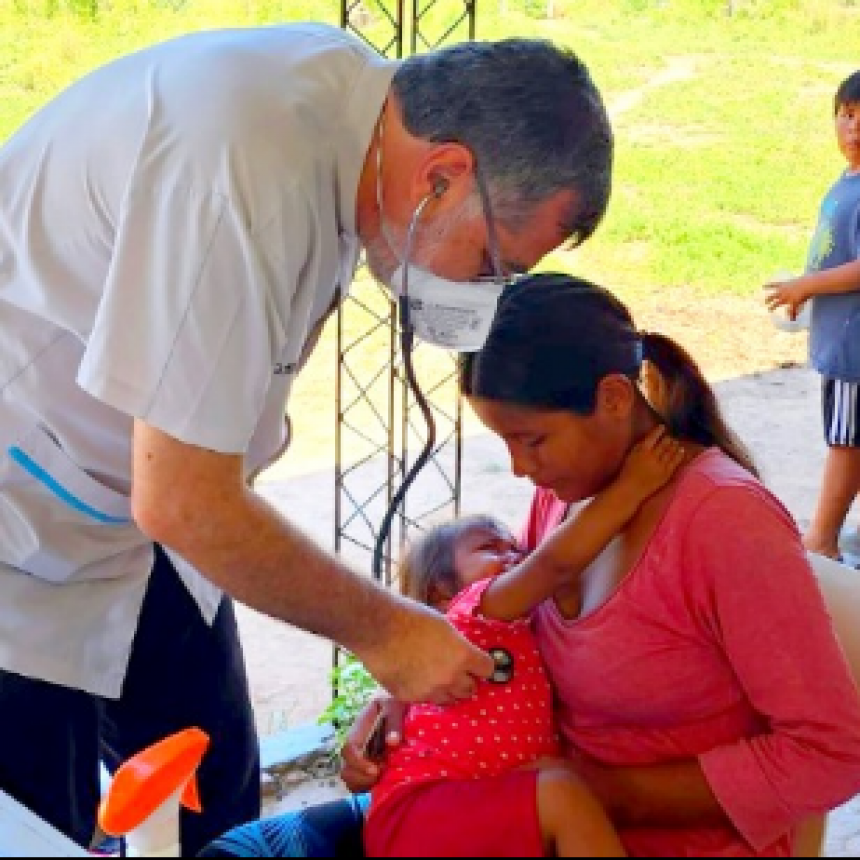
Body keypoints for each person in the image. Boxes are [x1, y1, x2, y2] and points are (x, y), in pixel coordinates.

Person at [0, 22, 614, 854]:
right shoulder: (237, 167)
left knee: (214, 800)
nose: (486, 290)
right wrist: (388, 632)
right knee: (44, 824)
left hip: (137, 513)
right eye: (493, 262)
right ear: (443, 176)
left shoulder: (355, 127)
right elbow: (184, 498)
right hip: (26, 528)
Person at [367, 426, 682, 859]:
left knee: (557, 778)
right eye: (490, 548)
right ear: (443, 589)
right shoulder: (473, 612)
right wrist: (632, 488)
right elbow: (554, 564)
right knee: (560, 792)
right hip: (422, 812)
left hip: (470, 808)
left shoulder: (520, 631)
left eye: (514, 547)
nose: (514, 556)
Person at [765, 70, 860, 564]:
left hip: (853, 351)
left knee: (846, 443)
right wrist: (807, 291)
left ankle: (822, 536)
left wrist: (805, 285)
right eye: (847, 115)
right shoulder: (846, 181)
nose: (855, 128)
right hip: (840, 335)